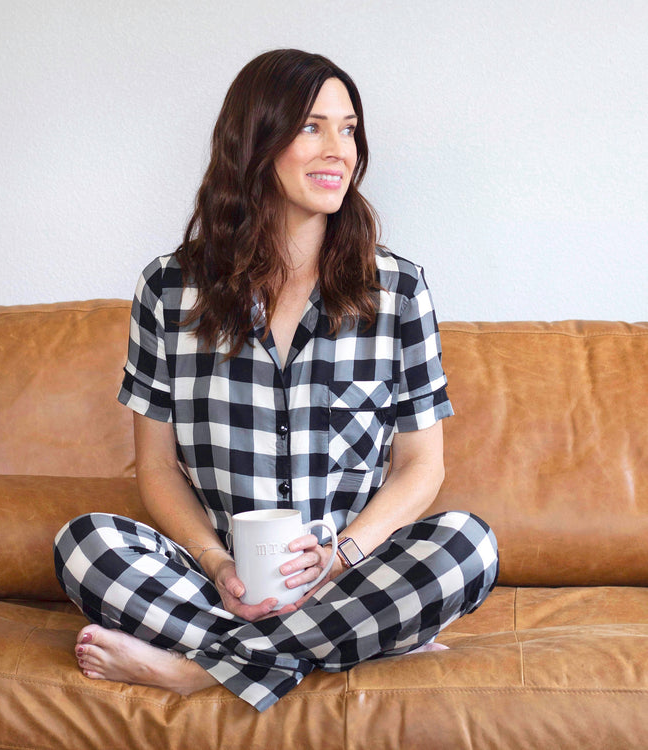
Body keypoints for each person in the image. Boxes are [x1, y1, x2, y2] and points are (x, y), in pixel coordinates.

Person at [53, 48, 499, 713]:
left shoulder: (399, 290)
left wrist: (340, 557)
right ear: (255, 141)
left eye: (348, 129)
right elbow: (158, 468)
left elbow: (421, 467)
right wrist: (217, 565)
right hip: (219, 584)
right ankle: (346, 646)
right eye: (313, 127)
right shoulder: (168, 289)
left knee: (467, 547)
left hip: (350, 576)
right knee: (84, 545)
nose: (339, 150)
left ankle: (200, 671)